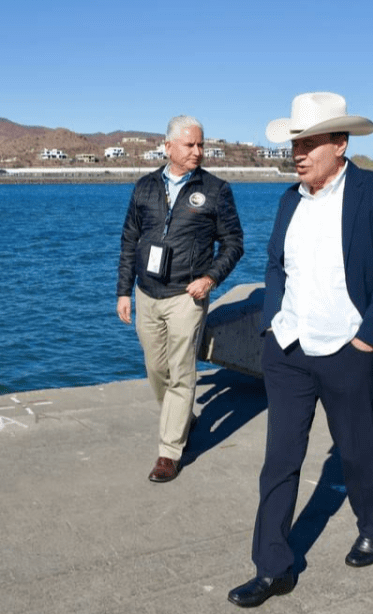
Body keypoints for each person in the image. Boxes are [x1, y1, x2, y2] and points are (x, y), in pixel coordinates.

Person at [228, 92, 373, 608]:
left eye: (309, 143)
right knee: (279, 461)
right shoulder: (291, 199)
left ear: (340, 143)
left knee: (356, 451)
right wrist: (273, 324)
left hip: (347, 349)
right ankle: (272, 569)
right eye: (295, 143)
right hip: (287, 349)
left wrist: (367, 339)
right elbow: (275, 265)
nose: (298, 153)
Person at [116, 115, 244, 484]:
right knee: (157, 368)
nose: (198, 152)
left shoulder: (216, 190)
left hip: (187, 296)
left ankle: (169, 451)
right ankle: (183, 416)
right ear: (168, 146)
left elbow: (234, 243)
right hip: (147, 293)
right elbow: (128, 242)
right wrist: (124, 291)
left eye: (201, 145)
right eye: (190, 145)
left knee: (182, 371)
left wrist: (210, 278)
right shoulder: (144, 188)